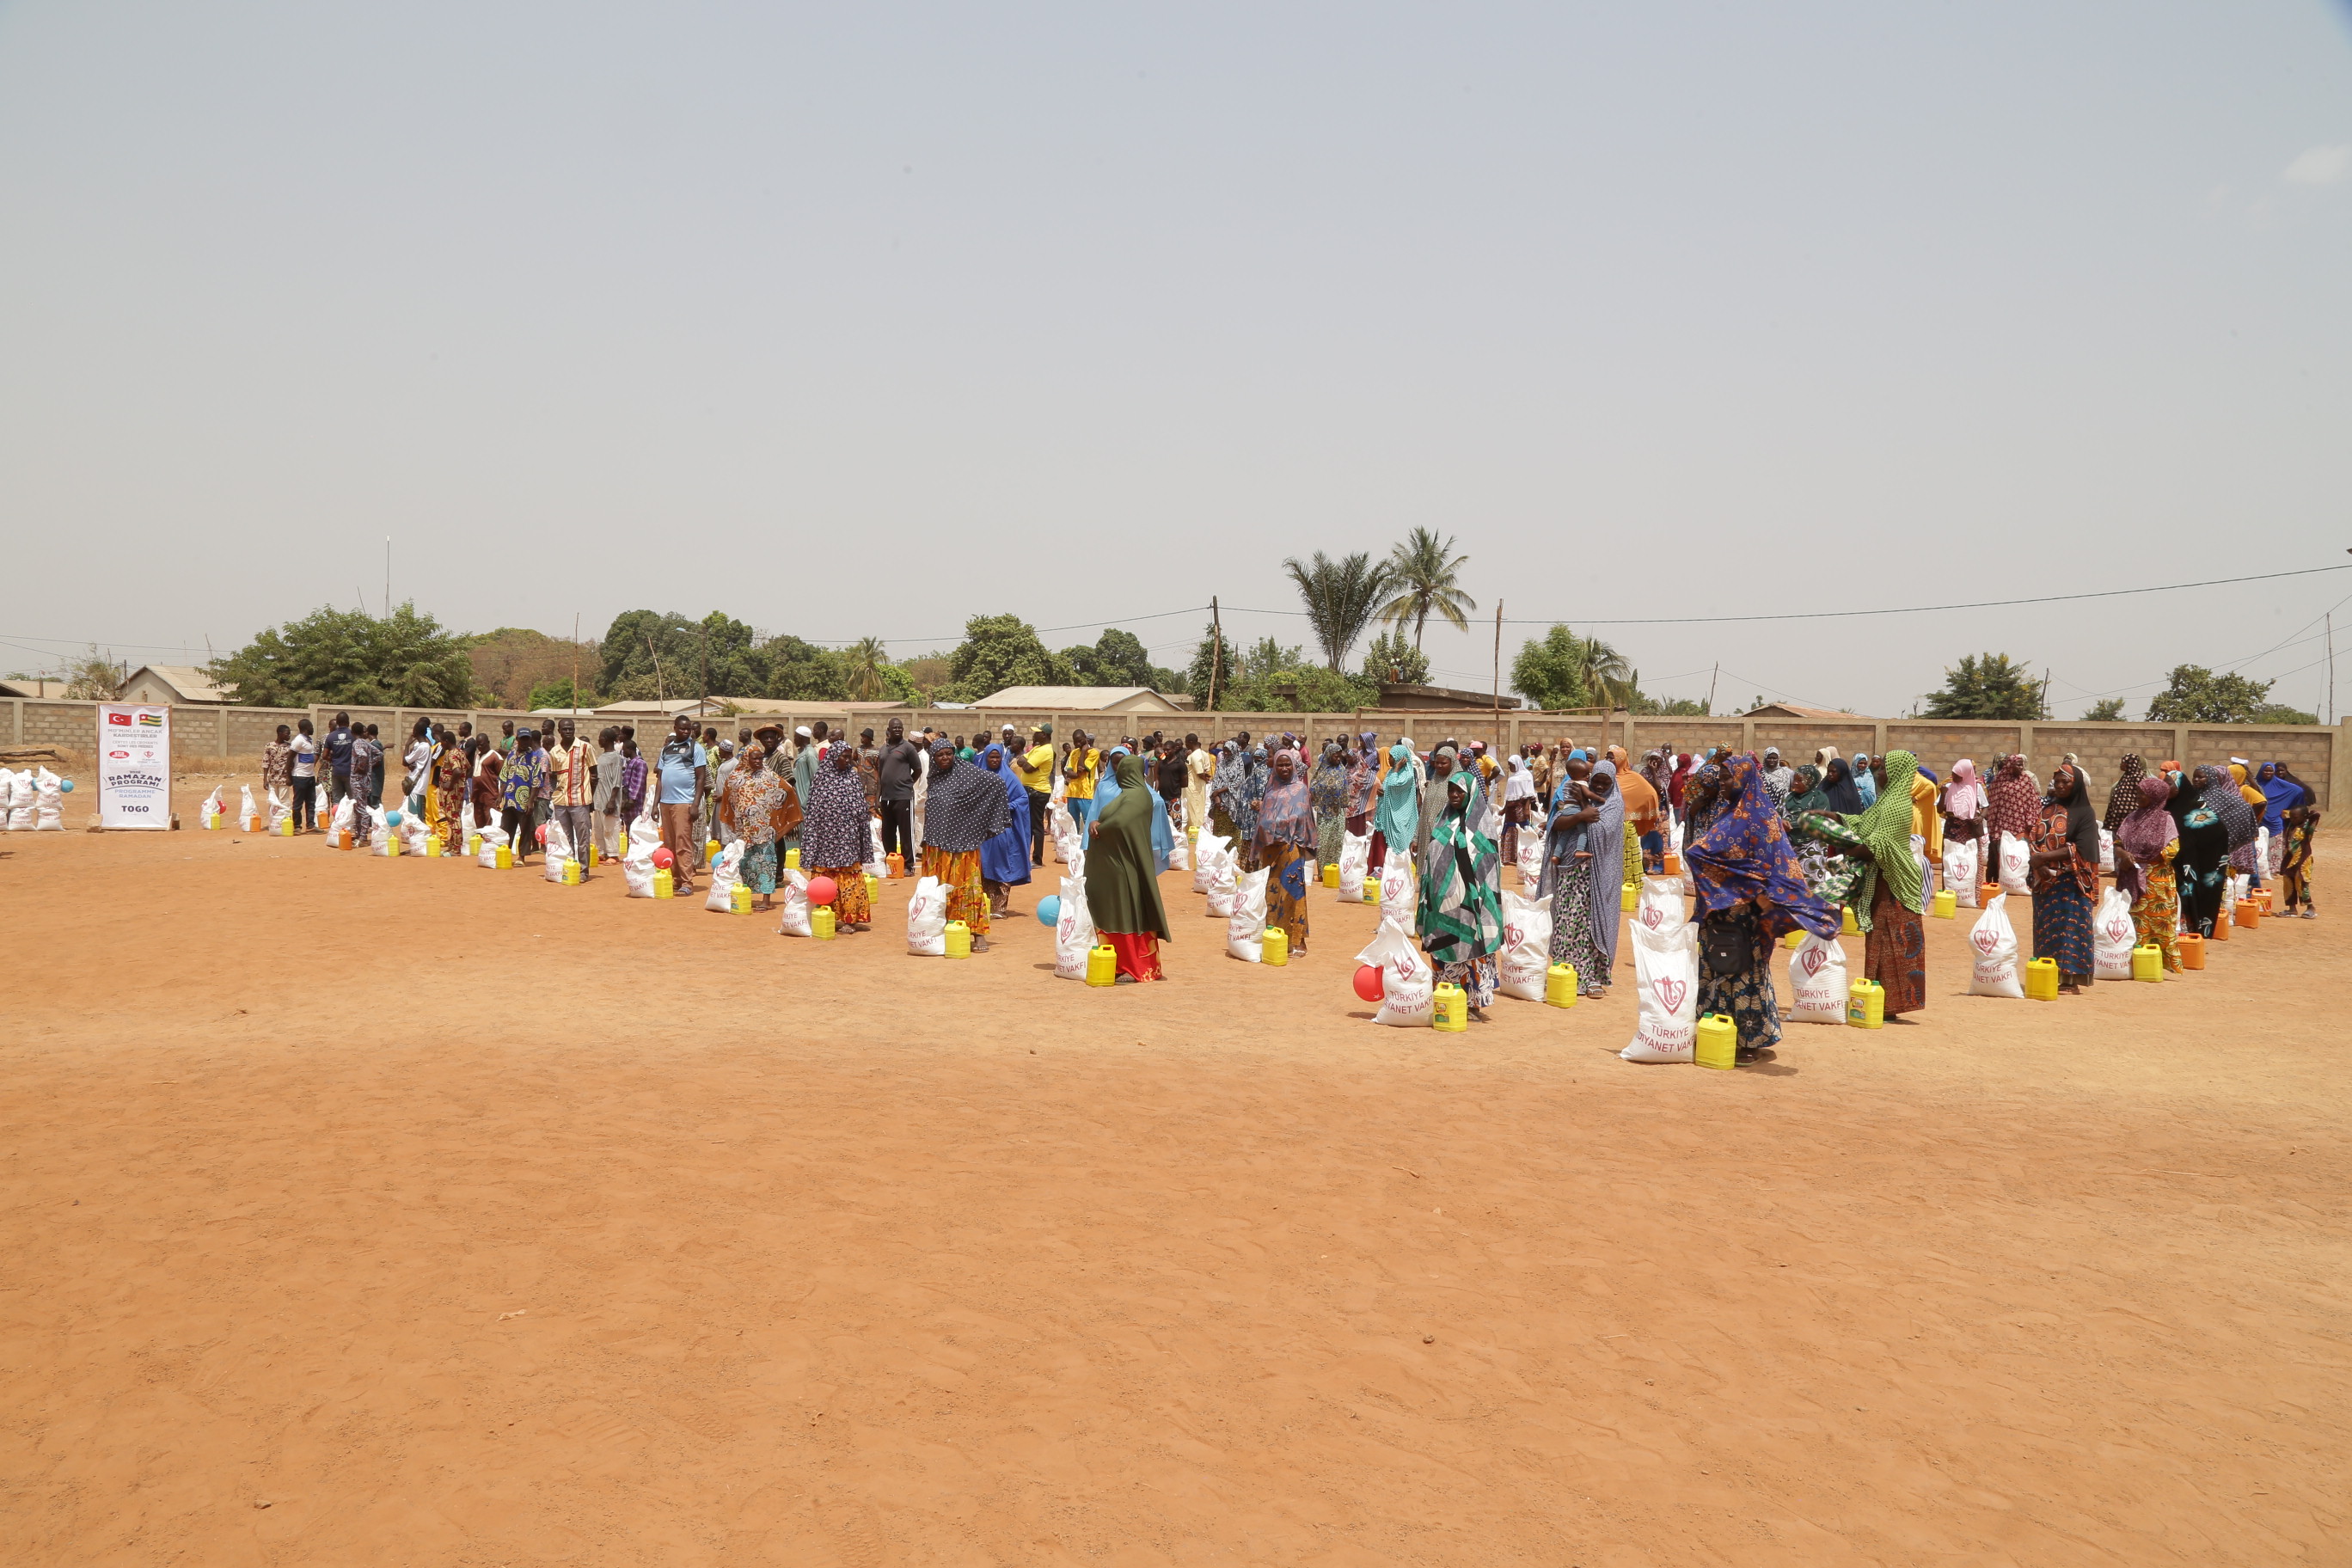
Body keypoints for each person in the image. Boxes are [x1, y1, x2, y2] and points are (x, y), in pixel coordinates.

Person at [1685, 753, 1841, 1059]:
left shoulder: (1759, 818)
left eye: (1728, 777)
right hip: (1721, 910)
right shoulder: (1730, 813)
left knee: (1744, 968)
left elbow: (1776, 865)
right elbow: (1704, 854)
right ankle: (1716, 1032)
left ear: (1743, 779)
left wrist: (1755, 889)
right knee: (1718, 965)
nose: (1723, 782)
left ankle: (1746, 1040)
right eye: (1721, 778)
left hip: (1748, 913)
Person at [1810, 751, 1927, 1019]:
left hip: (1895, 882)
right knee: (1880, 938)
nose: (1879, 773)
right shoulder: (1886, 800)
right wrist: (1832, 816)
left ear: (1897, 772)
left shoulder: (1898, 805)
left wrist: (1839, 861)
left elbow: (1876, 846)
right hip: (1882, 879)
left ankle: (1894, 1003)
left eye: (1884, 768)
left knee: (1895, 940)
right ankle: (1880, 999)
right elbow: (1862, 822)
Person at [1418, 771, 1504, 1018]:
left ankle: (1471, 1001)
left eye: (1460, 791)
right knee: (1445, 945)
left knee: (1470, 946)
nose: (1454, 795)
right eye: (1451, 791)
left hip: (1472, 902)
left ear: (1471, 794)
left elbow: (1488, 865)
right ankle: (1446, 994)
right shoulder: (1443, 819)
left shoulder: (1481, 823)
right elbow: (1431, 858)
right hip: (1442, 902)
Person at [1085, 753, 1173, 982]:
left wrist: (1099, 827)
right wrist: (1096, 822)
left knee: (1126, 912)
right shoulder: (1130, 794)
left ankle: (1133, 966)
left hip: (1124, 863)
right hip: (1118, 860)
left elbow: (1122, 822)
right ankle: (1120, 962)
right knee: (1120, 910)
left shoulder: (1136, 796)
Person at [921, 738, 1011, 951]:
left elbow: (997, 783)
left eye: (948, 753)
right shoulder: (934, 779)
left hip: (963, 844)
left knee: (968, 889)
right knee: (938, 890)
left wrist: (976, 822)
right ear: (933, 759)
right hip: (936, 847)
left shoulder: (968, 774)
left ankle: (978, 934)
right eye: (940, 755)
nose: (945, 758)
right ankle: (940, 931)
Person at [2030, 761, 2102, 994]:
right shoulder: (2048, 810)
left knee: (2070, 932)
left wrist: (2043, 858)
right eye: (2057, 782)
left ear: (2077, 784)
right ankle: (2048, 973)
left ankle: (2071, 982)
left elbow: (2082, 848)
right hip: (2045, 882)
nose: (2059, 786)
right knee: (2047, 929)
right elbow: (2034, 837)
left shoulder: (2085, 814)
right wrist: (2038, 863)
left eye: (2065, 782)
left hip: (2072, 882)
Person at [1540, 753, 1608, 996]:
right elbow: (1556, 822)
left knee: (1591, 925)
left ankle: (1590, 977)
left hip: (1598, 876)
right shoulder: (1568, 790)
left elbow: (1604, 830)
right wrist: (1581, 814)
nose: (1598, 785)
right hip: (1570, 870)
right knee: (1567, 922)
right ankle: (1563, 970)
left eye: (1604, 781)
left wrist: (1586, 808)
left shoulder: (1613, 804)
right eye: (1595, 780)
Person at [800, 743, 874, 931]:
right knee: (825, 876)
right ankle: (827, 915)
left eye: (850, 757)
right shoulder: (821, 778)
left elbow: (860, 807)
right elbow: (813, 809)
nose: (848, 761)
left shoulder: (852, 776)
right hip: (825, 839)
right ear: (834, 757)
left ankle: (850, 919)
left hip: (847, 838)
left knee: (847, 875)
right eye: (844, 756)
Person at [2112, 775, 2181, 971]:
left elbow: (2173, 849)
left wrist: (2144, 859)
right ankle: (2130, 963)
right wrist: (2124, 855)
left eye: (2141, 793)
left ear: (2155, 795)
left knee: (2157, 922)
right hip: (2129, 876)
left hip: (2155, 882)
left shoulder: (2165, 820)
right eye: (2137, 793)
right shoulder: (2131, 818)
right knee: (2131, 920)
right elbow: (2117, 844)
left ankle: (2154, 964)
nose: (2137, 797)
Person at [719, 742, 798, 912]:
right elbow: (728, 793)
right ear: (746, 759)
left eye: (761, 758)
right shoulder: (736, 777)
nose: (758, 761)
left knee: (766, 864)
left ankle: (766, 899)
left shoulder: (769, 776)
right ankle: (744, 894)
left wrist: (777, 819)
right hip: (744, 830)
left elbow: (788, 790)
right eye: (755, 759)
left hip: (764, 829)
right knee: (744, 862)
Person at [1254, 749, 1318, 955]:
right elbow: (1264, 818)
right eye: (1280, 765)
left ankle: (1297, 939)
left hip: (1291, 848)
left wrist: (1279, 822)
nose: (1283, 768)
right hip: (1271, 850)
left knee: (1292, 893)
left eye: (1287, 764)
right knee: (1271, 894)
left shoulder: (1300, 789)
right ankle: (1272, 934)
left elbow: (1303, 817)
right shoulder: (1270, 789)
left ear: (1293, 766)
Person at [654, 716, 709, 893]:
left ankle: (687, 882)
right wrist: (655, 804)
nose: (686, 732)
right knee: (669, 843)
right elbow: (660, 778)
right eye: (683, 729)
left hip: (683, 802)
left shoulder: (696, 748)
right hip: (666, 802)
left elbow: (701, 778)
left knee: (683, 842)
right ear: (675, 728)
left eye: (689, 729)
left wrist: (695, 804)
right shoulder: (667, 749)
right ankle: (676, 879)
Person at [977, 744, 1033, 917]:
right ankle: (984, 905)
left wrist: (1008, 807)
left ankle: (999, 906)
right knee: (984, 866)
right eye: (991, 757)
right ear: (985, 758)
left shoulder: (1009, 777)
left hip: (1003, 829)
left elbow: (1022, 798)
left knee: (1002, 864)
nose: (994, 760)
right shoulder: (978, 777)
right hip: (982, 830)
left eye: (997, 757)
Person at [548, 718, 596, 868]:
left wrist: (591, 799)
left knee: (583, 838)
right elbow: (553, 776)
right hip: (560, 802)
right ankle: (568, 867)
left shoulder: (585, 748)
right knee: (564, 837)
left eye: (571, 729)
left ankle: (583, 870)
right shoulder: (554, 752)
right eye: (565, 729)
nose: (568, 732)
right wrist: (553, 794)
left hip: (580, 800)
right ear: (559, 731)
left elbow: (594, 775)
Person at [876, 719, 922, 872]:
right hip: (886, 798)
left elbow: (918, 770)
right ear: (888, 729)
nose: (897, 730)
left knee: (905, 832)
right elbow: (880, 775)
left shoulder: (908, 748)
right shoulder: (883, 749)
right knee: (888, 834)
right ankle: (892, 864)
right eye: (894, 727)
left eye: (900, 727)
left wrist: (908, 784)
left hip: (903, 797)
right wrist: (878, 798)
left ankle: (909, 865)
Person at [2275, 765, 2319, 917]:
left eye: (2296, 818)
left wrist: (2307, 816)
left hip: (2303, 860)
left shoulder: (2307, 829)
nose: (2293, 819)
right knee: (2288, 881)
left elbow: (2315, 815)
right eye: (2292, 817)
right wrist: (2290, 816)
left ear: (2303, 818)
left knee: (2302, 883)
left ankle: (2311, 908)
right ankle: (2291, 909)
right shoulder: (2290, 826)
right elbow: (2283, 814)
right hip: (2290, 859)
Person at [501, 728, 547, 864]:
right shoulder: (511, 756)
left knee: (525, 828)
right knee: (506, 828)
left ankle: (522, 856)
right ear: (517, 740)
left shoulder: (534, 758)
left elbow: (536, 781)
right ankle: (505, 854)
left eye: (527, 739)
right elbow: (504, 776)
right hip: (509, 798)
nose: (525, 741)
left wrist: (531, 801)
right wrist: (499, 796)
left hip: (524, 799)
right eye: (522, 738)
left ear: (531, 740)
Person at [1012, 728, 1054, 864]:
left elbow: (1027, 767)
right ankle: (1025, 856)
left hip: (1038, 791)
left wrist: (1029, 765)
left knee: (1036, 826)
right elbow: (1020, 761)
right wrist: (1028, 764)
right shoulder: (1037, 748)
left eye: (1036, 732)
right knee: (1028, 825)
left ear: (1043, 734)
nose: (1033, 734)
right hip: (1030, 790)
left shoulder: (1045, 750)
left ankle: (1037, 859)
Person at [1309, 744, 1351, 872]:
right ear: (1329, 755)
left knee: (1337, 842)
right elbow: (1313, 787)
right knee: (1323, 842)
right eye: (1335, 756)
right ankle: (1322, 871)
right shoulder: (1321, 770)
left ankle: (1334, 869)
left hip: (1338, 812)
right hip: (1324, 812)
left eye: (1339, 756)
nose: (1338, 758)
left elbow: (1345, 791)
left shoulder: (1341, 770)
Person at [592, 727, 625, 863]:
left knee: (610, 827)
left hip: (609, 798)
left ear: (606, 739)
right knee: (599, 827)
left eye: (600, 737)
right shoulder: (600, 757)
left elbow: (617, 780)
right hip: (599, 798)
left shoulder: (616, 757)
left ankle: (613, 854)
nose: (599, 740)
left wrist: (612, 800)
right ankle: (603, 852)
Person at [289, 717, 318, 831]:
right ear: (306, 728)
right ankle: (296, 826)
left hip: (310, 776)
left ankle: (310, 825)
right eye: (311, 727)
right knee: (298, 802)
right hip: (300, 776)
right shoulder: (298, 740)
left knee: (311, 802)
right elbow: (289, 758)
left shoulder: (308, 740)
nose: (313, 729)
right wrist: (288, 776)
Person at [322, 712, 354, 811]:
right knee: (352, 798)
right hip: (350, 772)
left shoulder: (331, 736)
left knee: (337, 800)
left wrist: (334, 760)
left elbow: (324, 755)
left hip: (336, 771)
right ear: (348, 722)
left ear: (337, 723)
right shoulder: (352, 735)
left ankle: (337, 821)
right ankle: (351, 823)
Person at [261, 725, 294, 816]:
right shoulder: (269, 746)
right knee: (273, 801)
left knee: (284, 801)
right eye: (287, 734)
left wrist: (289, 777)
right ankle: (273, 822)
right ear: (280, 734)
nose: (289, 736)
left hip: (284, 779)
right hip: (272, 779)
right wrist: (265, 779)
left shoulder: (289, 747)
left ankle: (284, 820)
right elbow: (266, 762)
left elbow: (291, 764)